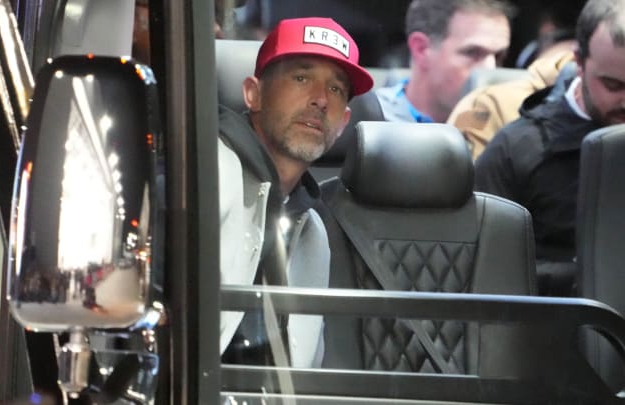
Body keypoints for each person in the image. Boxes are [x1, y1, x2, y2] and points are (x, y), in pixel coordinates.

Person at [218, 17, 373, 367]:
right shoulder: (210, 173)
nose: (320, 100)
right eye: (301, 78)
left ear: (344, 121)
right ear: (252, 94)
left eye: (335, 89)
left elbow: (299, 379)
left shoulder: (313, 233)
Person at [474, 0, 625, 296]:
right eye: (613, 85)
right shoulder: (517, 150)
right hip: (554, 331)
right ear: (579, 63)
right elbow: (483, 271)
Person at [375, 0, 514, 124]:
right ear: (421, 49)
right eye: (472, 53)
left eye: (499, 57)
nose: (490, 70)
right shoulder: (369, 123)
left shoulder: (507, 129)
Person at [447, 48, 575, 159]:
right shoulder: (488, 104)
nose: (489, 65)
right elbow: (466, 182)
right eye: (471, 52)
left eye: (499, 56)